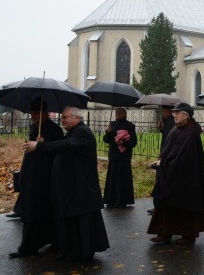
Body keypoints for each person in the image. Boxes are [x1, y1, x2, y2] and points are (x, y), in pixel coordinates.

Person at [22, 106, 109, 261]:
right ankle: (73, 251)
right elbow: (59, 145)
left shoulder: (83, 132)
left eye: (65, 117)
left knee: (81, 220)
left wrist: (40, 145)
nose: (62, 120)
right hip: (74, 185)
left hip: (82, 185)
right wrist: (43, 143)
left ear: (77, 117)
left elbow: (66, 146)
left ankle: (82, 254)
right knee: (73, 220)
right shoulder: (73, 132)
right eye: (61, 118)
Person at [147, 102, 204, 244]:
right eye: (174, 113)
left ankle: (188, 235)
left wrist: (165, 163)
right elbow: (168, 149)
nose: (174, 115)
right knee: (166, 203)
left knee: (185, 206)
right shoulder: (175, 130)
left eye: (177, 113)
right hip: (171, 174)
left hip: (186, 178)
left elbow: (185, 157)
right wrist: (161, 160)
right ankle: (164, 233)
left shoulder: (191, 132)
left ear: (186, 116)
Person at [9, 99, 64, 259]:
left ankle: (30, 247)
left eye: (35, 113)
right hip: (32, 176)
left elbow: (58, 152)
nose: (32, 116)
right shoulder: (34, 128)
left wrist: (43, 144)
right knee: (32, 211)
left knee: (41, 212)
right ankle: (32, 245)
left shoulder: (55, 130)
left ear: (43, 113)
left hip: (44, 178)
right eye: (31, 113)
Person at [102, 107, 137, 208]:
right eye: (116, 112)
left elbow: (133, 142)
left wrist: (123, 142)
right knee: (112, 178)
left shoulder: (130, 126)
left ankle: (122, 200)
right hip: (114, 155)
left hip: (124, 156)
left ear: (124, 114)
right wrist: (108, 132)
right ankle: (111, 199)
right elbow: (106, 140)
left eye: (120, 112)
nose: (117, 114)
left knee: (123, 178)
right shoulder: (112, 124)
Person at [148, 105, 175, 214]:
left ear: (169, 111)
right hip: (166, 154)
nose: (163, 112)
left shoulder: (170, 122)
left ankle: (159, 207)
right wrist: (162, 129)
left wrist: (163, 156)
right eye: (162, 110)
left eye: (164, 110)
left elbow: (169, 140)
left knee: (161, 182)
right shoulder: (168, 122)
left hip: (166, 155)